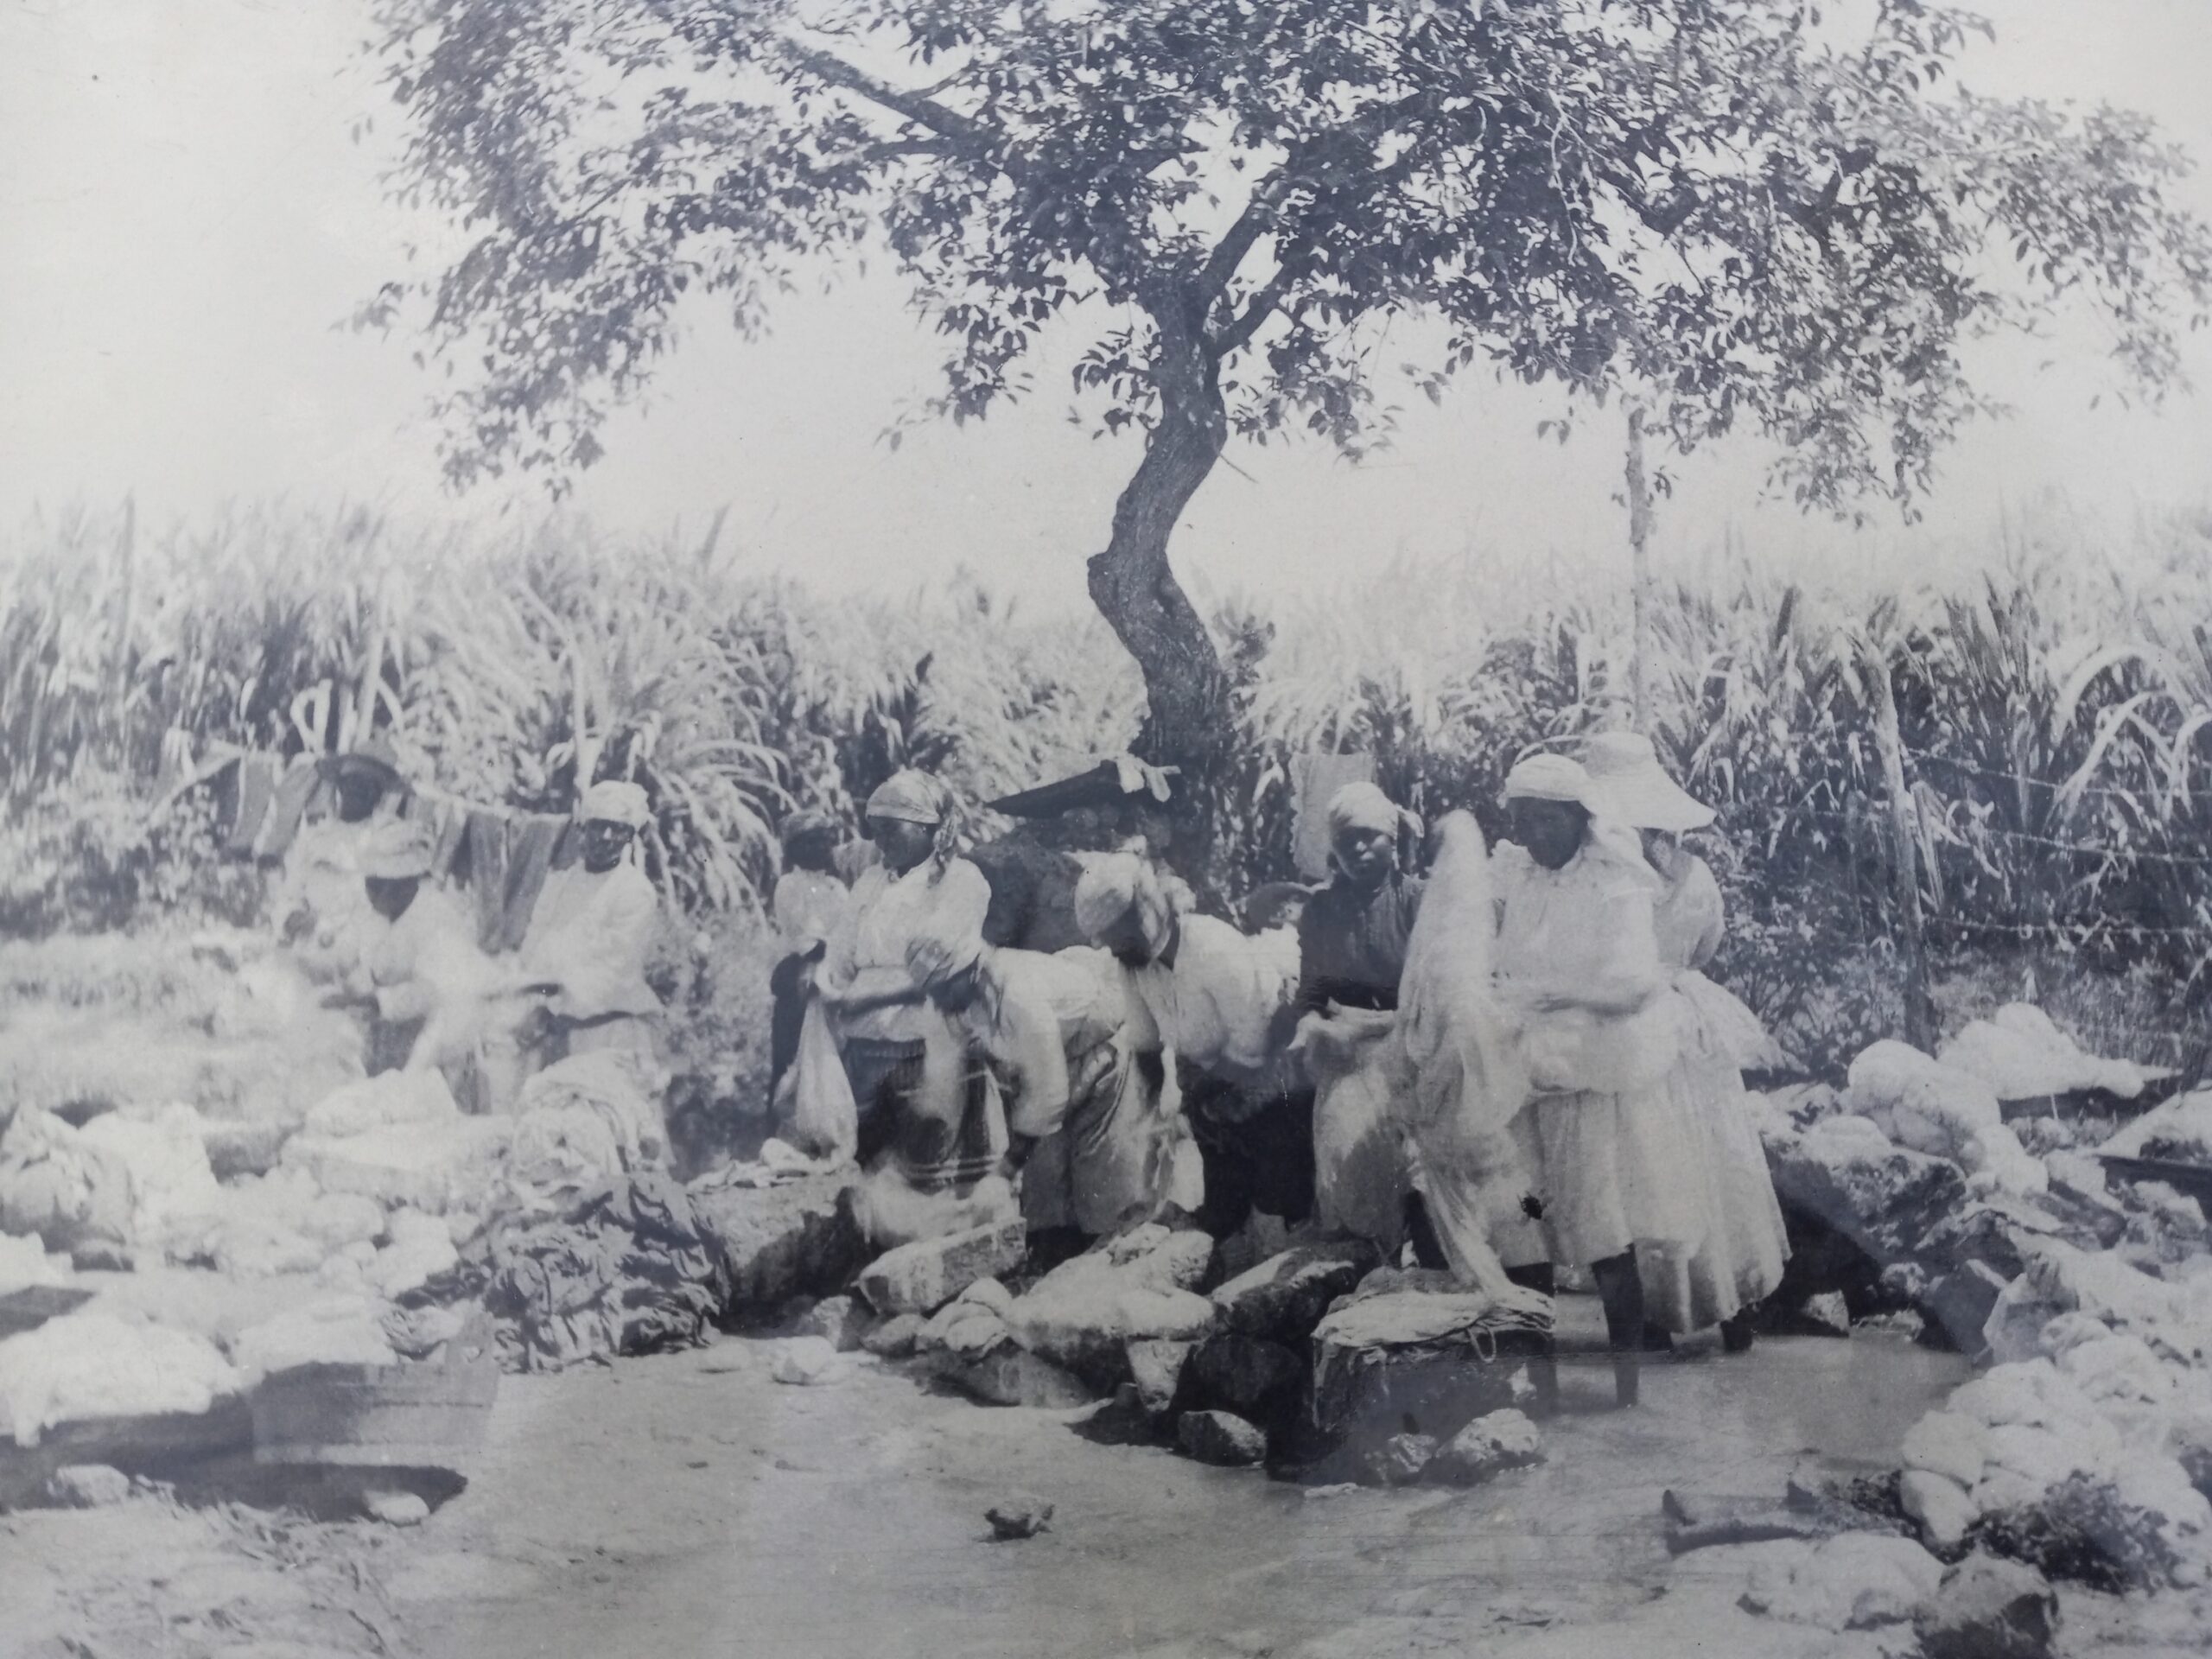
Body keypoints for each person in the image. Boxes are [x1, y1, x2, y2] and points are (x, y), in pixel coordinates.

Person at [1491, 753, 1701, 1408]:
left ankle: (1628, 1390)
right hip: (1523, 1078)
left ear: (1580, 819)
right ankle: (1540, 1386)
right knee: (1523, 1227)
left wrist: (1556, 995)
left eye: (1546, 821)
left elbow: (1632, 983)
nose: (1533, 835)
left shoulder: (1615, 885)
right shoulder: (1517, 879)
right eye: (1522, 821)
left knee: (1603, 1232)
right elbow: (1500, 965)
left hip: (1590, 1077)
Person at [1583, 731, 1789, 1354]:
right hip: (1691, 1018)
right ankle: (1738, 1301)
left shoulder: (1606, 877)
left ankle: (1660, 1309)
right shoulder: (1696, 875)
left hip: (1636, 1026)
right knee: (1717, 1157)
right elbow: (1705, 949)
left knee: (1650, 1166)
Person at [906, 926, 1174, 1260]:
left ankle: (1116, 1262)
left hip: (1097, 1051)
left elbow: (1049, 1093)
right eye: (932, 991)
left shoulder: (1017, 993)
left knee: (1105, 1187)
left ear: (970, 969)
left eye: (944, 988)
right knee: (1044, 1202)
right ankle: (1053, 1264)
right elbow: (943, 1085)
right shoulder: (948, 1003)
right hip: (1045, 1071)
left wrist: (1006, 1168)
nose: (938, 999)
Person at [1071, 855, 1300, 1239]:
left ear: (1145, 912)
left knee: (1276, 1201)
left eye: (1119, 940)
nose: (1114, 952)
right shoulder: (1134, 966)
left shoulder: (1212, 947)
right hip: (1213, 1083)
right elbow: (1145, 1045)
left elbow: (1254, 1043)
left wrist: (1195, 1100)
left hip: (1271, 1072)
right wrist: (1152, 1121)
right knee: (1220, 1215)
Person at [817, 770, 1000, 1205]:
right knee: (872, 1163)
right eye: (875, 831)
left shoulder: (962, 881)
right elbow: (842, 950)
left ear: (927, 828)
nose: (881, 843)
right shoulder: (870, 882)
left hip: (925, 1037)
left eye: (892, 830)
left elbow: (944, 965)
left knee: (929, 1166)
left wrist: (870, 997)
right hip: (864, 1038)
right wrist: (828, 986)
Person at [1293, 782, 1426, 1255]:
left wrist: (1369, 1026)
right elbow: (1311, 989)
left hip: (1414, 1055)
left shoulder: (1419, 903)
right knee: (1352, 1192)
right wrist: (1308, 1022)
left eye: (1370, 837)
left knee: (1423, 1187)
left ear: (1393, 841)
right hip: (1346, 1061)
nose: (1359, 849)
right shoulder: (1321, 910)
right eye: (1347, 841)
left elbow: (1435, 1001)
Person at [506, 780, 665, 1088]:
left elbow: (612, 972)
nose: (606, 837)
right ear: (583, 829)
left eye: (618, 829)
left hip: (606, 1036)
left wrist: (550, 1013)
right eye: (599, 826)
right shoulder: (559, 883)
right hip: (548, 1029)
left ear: (630, 837)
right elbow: (535, 951)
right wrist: (532, 1002)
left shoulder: (634, 893)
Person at [330, 818, 499, 1093]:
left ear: (406, 882)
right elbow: (354, 953)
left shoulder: (438, 918)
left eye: (380, 885)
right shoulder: (377, 913)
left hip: (435, 1044)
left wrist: (378, 1001)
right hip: (388, 1039)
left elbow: (434, 992)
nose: (371, 893)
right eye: (369, 884)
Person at [276, 735, 407, 981]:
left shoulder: (386, 841)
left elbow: (387, 917)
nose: (359, 793)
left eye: (369, 787)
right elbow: (289, 896)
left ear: (378, 796)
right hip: (306, 951)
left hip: (359, 965)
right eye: (353, 783)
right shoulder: (314, 837)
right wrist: (292, 918)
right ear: (340, 786)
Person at [768, 810, 853, 1104]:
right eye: (810, 842)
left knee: (832, 1054)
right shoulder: (790, 886)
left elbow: (848, 929)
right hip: (802, 976)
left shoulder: (837, 889)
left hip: (834, 975)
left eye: (825, 842)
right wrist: (837, 946)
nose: (821, 849)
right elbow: (806, 937)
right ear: (792, 849)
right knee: (793, 1054)